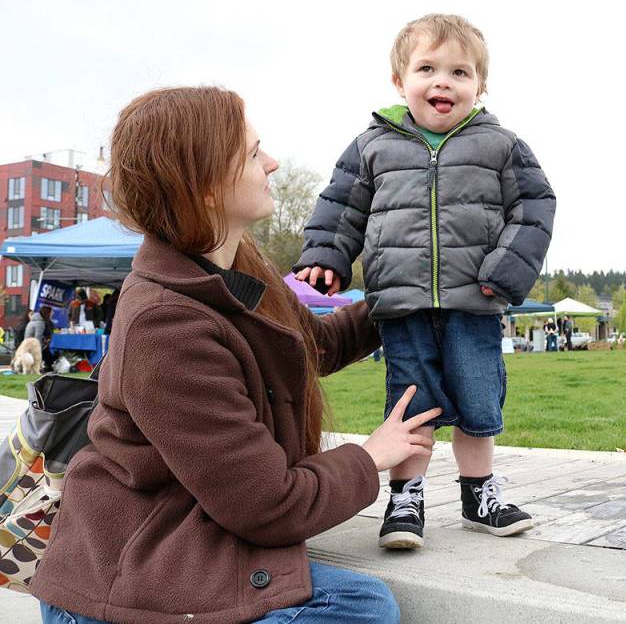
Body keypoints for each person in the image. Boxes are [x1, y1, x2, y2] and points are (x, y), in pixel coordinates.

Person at [30, 87, 443, 623]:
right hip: (126, 574)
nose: (271, 163)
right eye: (252, 154)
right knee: (359, 609)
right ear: (202, 186)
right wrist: (370, 458)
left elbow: (308, 348)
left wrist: (405, 300)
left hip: (182, 540)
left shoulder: (233, 266)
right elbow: (268, 506)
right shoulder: (166, 325)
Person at [293, 14, 556, 550]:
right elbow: (342, 206)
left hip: (474, 300)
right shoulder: (372, 146)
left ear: (479, 86)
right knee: (412, 403)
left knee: (478, 400)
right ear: (400, 81)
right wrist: (326, 255)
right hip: (402, 304)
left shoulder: (501, 145)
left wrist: (507, 270)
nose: (443, 82)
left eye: (460, 72)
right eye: (427, 69)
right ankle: (406, 496)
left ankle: (479, 493)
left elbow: (534, 208)